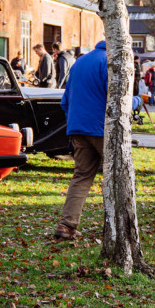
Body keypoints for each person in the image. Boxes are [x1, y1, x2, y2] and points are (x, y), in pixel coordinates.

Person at [54, 40, 109, 240]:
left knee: (81, 176)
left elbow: (65, 100)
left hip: (77, 127)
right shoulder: (110, 62)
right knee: (116, 176)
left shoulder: (80, 62)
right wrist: (137, 101)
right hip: (102, 129)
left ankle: (67, 225)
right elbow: (117, 98)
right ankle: (116, 226)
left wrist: (73, 122)